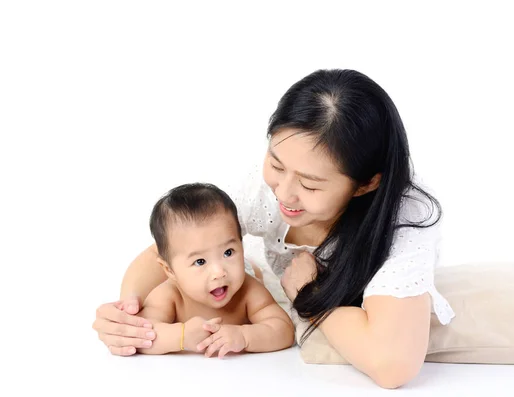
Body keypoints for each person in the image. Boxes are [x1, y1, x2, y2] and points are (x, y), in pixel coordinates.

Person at [92, 69, 455, 388]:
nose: (284, 193)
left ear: (365, 184)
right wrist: (128, 316)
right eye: (276, 165)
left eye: (310, 185)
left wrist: (308, 296)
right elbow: (176, 246)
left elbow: (393, 366)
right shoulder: (268, 186)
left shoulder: (405, 219)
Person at [121, 182, 294, 357]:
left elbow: (283, 330)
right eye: (200, 261)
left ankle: (251, 265)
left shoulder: (248, 290)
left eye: (228, 252)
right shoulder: (170, 295)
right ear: (170, 270)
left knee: (255, 272)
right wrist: (180, 336)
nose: (219, 272)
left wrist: (245, 336)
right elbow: (141, 334)